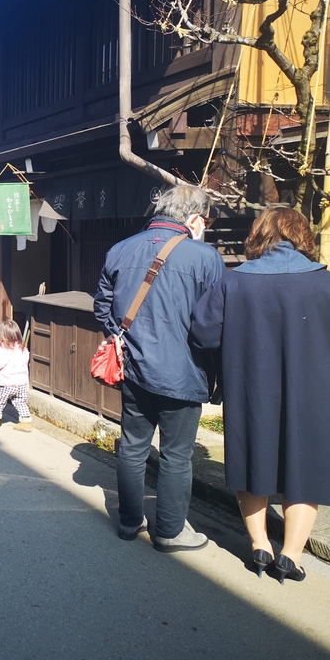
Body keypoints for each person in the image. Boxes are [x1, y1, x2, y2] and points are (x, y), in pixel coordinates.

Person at [190, 207, 330, 582]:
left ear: (260, 235)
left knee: (253, 460)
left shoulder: (234, 282)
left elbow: (203, 332)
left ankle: (259, 545)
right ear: (302, 236)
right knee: (305, 468)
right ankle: (291, 555)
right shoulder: (324, 281)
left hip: (250, 386)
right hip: (312, 390)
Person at [93, 184, 224, 552]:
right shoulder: (205, 257)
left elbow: (101, 307)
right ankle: (169, 530)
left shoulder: (120, 249)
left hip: (133, 369)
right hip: (183, 372)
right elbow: (213, 325)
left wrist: (120, 336)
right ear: (194, 219)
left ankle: (129, 522)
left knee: (133, 447)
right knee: (176, 454)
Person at [0, 318, 32, 432]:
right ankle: (26, 422)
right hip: (21, 383)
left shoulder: (3, 350)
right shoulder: (23, 349)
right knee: (20, 402)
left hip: (6, 383)